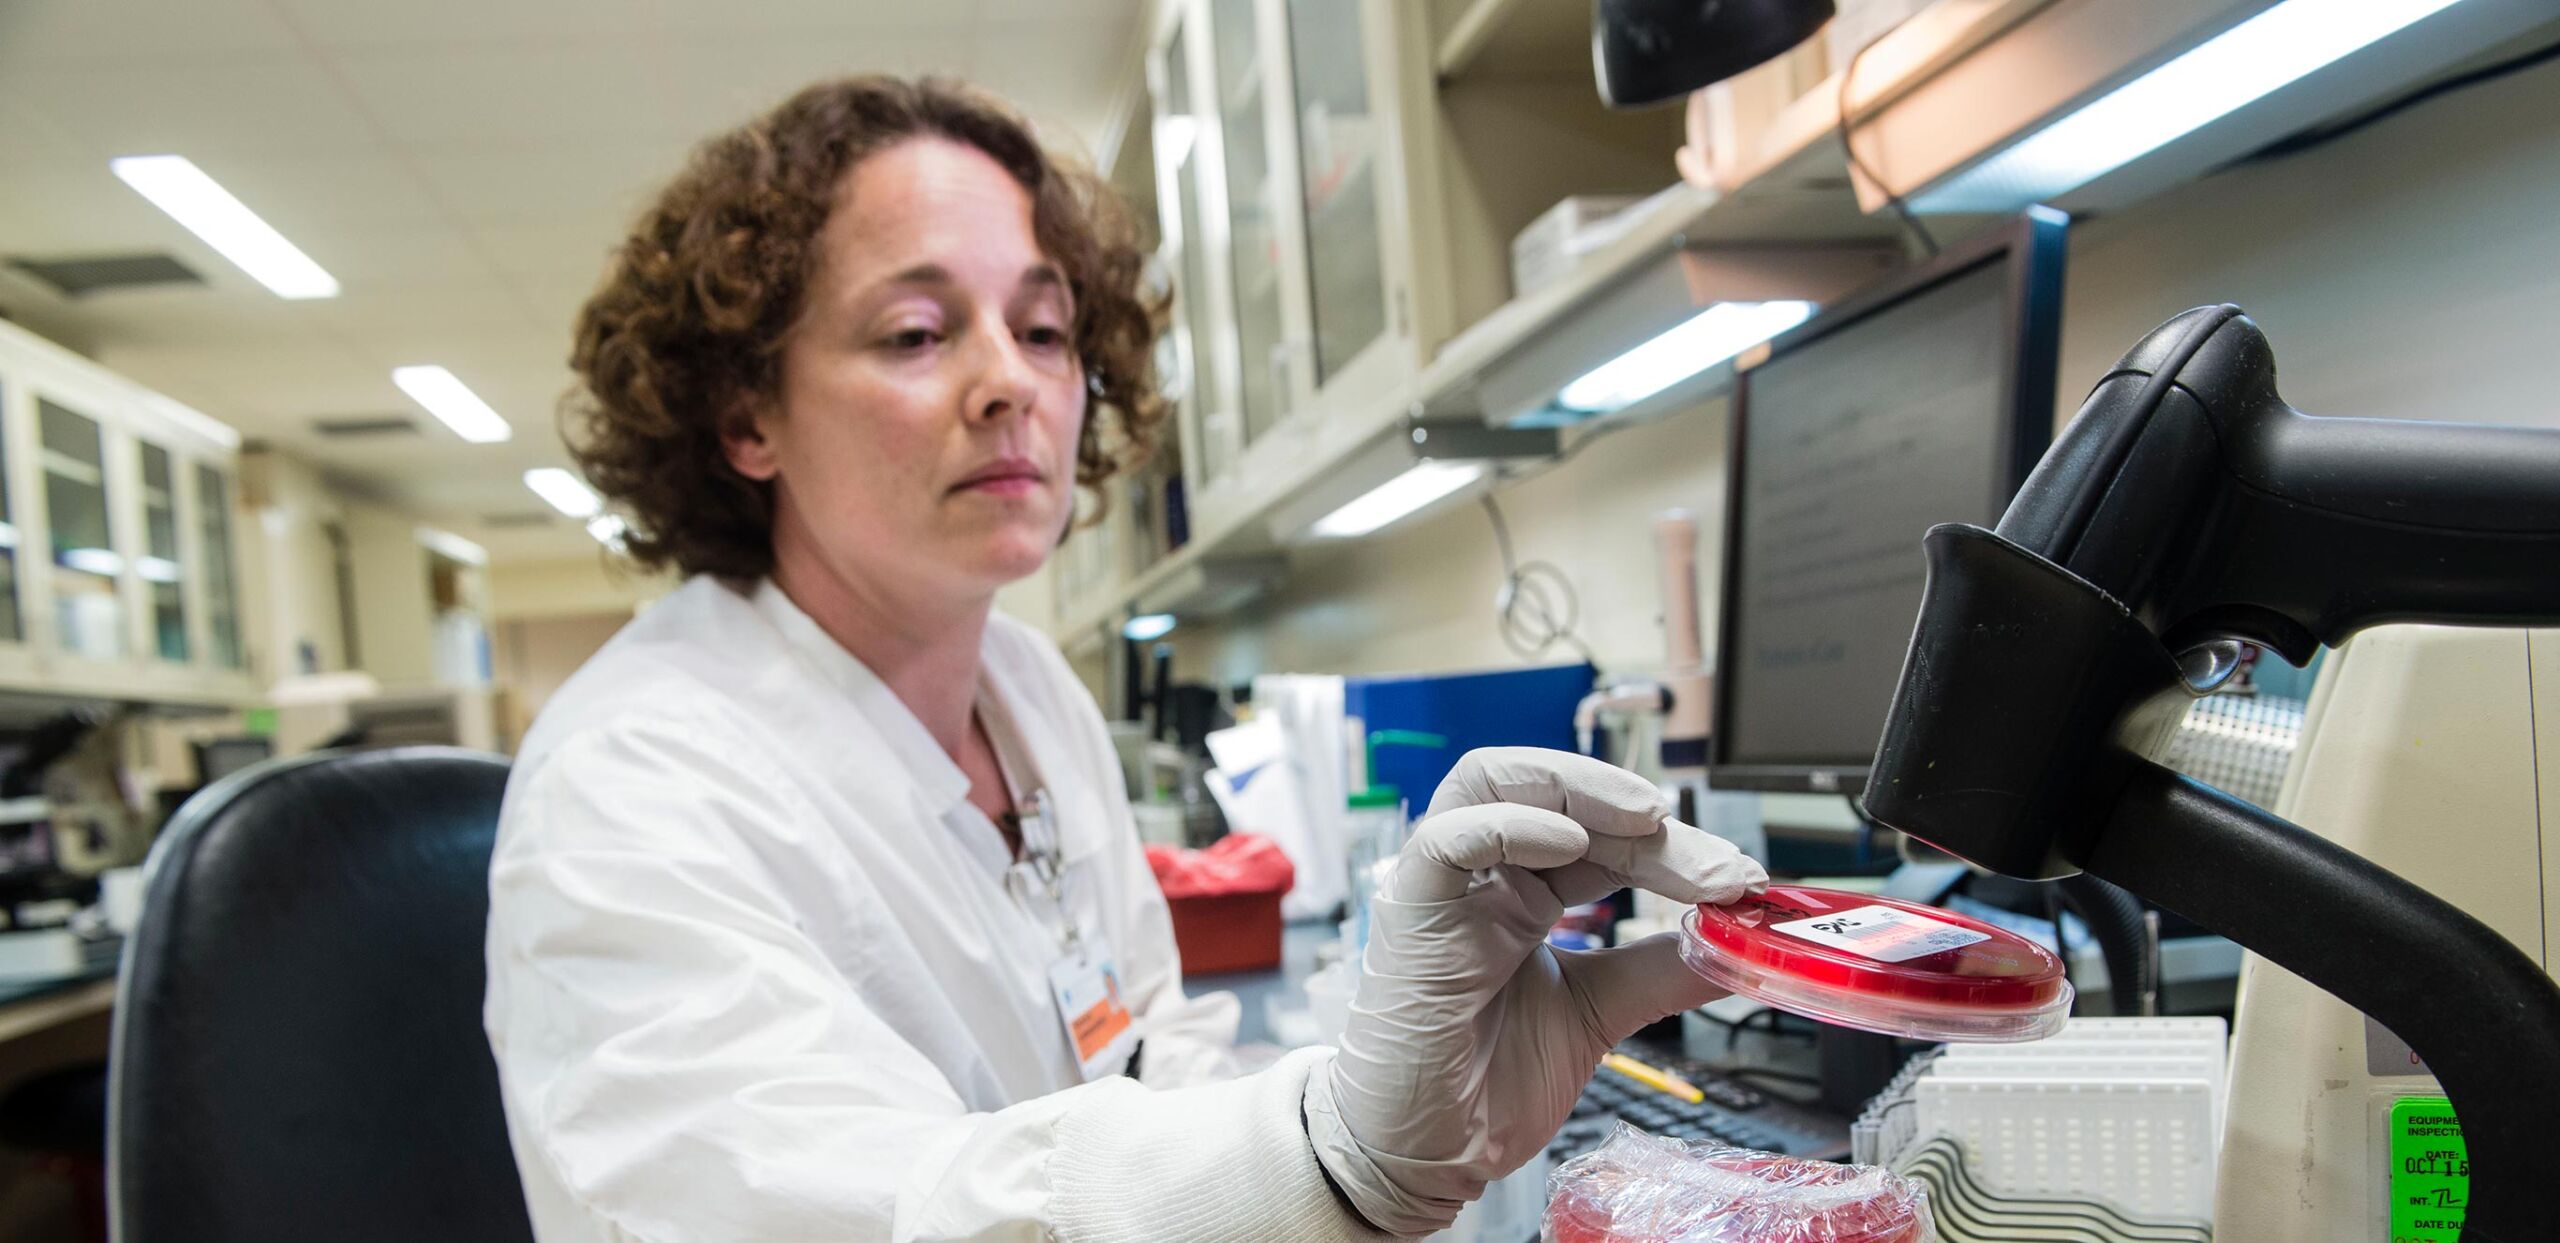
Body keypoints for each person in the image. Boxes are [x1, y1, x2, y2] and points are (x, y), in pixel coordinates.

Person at [482, 75, 1766, 1243]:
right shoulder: (632, 785)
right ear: (745, 412)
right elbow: (837, 1209)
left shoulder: (1031, 693)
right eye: (916, 334)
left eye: (1043, 331)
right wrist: (1328, 1153)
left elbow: (1151, 1060)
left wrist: (1395, 1103)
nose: (1009, 382)